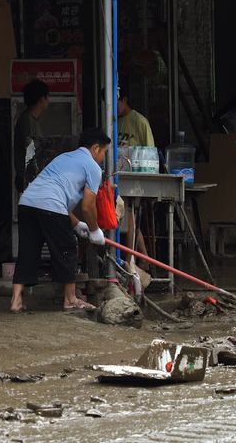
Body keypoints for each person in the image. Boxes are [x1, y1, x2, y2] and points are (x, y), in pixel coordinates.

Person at [10, 127, 110, 314]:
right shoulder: (93, 167)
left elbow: (57, 199)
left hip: (27, 204)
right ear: (96, 148)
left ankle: (16, 301)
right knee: (67, 247)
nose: (103, 158)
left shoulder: (64, 157)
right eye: (104, 152)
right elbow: (88, 207)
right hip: (49, 206)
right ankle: (71, 300)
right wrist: (95, 231)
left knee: (28, 251)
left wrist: (76, 224)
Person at [114, 85, 155, 269]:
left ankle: (131, 260)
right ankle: (141, 258)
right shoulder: (113, 122)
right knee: (127, 215)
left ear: (124, 99)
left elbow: (150, 153)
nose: (113, 107)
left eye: (115, 102)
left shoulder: (140, 122)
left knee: (130, 214)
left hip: (136, 179)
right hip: (119, 177)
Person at [13, 79, 50, 193]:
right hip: (29, 179)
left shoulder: (32, 120)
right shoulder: (28, 121)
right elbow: (30, 149)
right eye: (47, 98)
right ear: (42, 99)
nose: (48, 101)